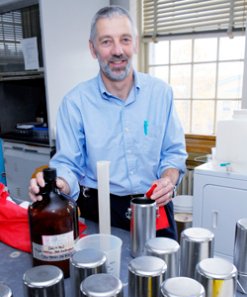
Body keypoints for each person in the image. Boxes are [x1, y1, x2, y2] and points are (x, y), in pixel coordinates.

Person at [29, 5, 187, 241]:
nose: (117, 51)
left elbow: (173, 154)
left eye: (124, 40)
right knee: (101, 276)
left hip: (155, 206)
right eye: (106, 42)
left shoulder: (161, 93)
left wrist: (168, 179)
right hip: (100, 211)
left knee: (161, 275)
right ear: (93, 49)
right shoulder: (75, 103)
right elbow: (68, 163)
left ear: (134, 43)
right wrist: (58, 184)